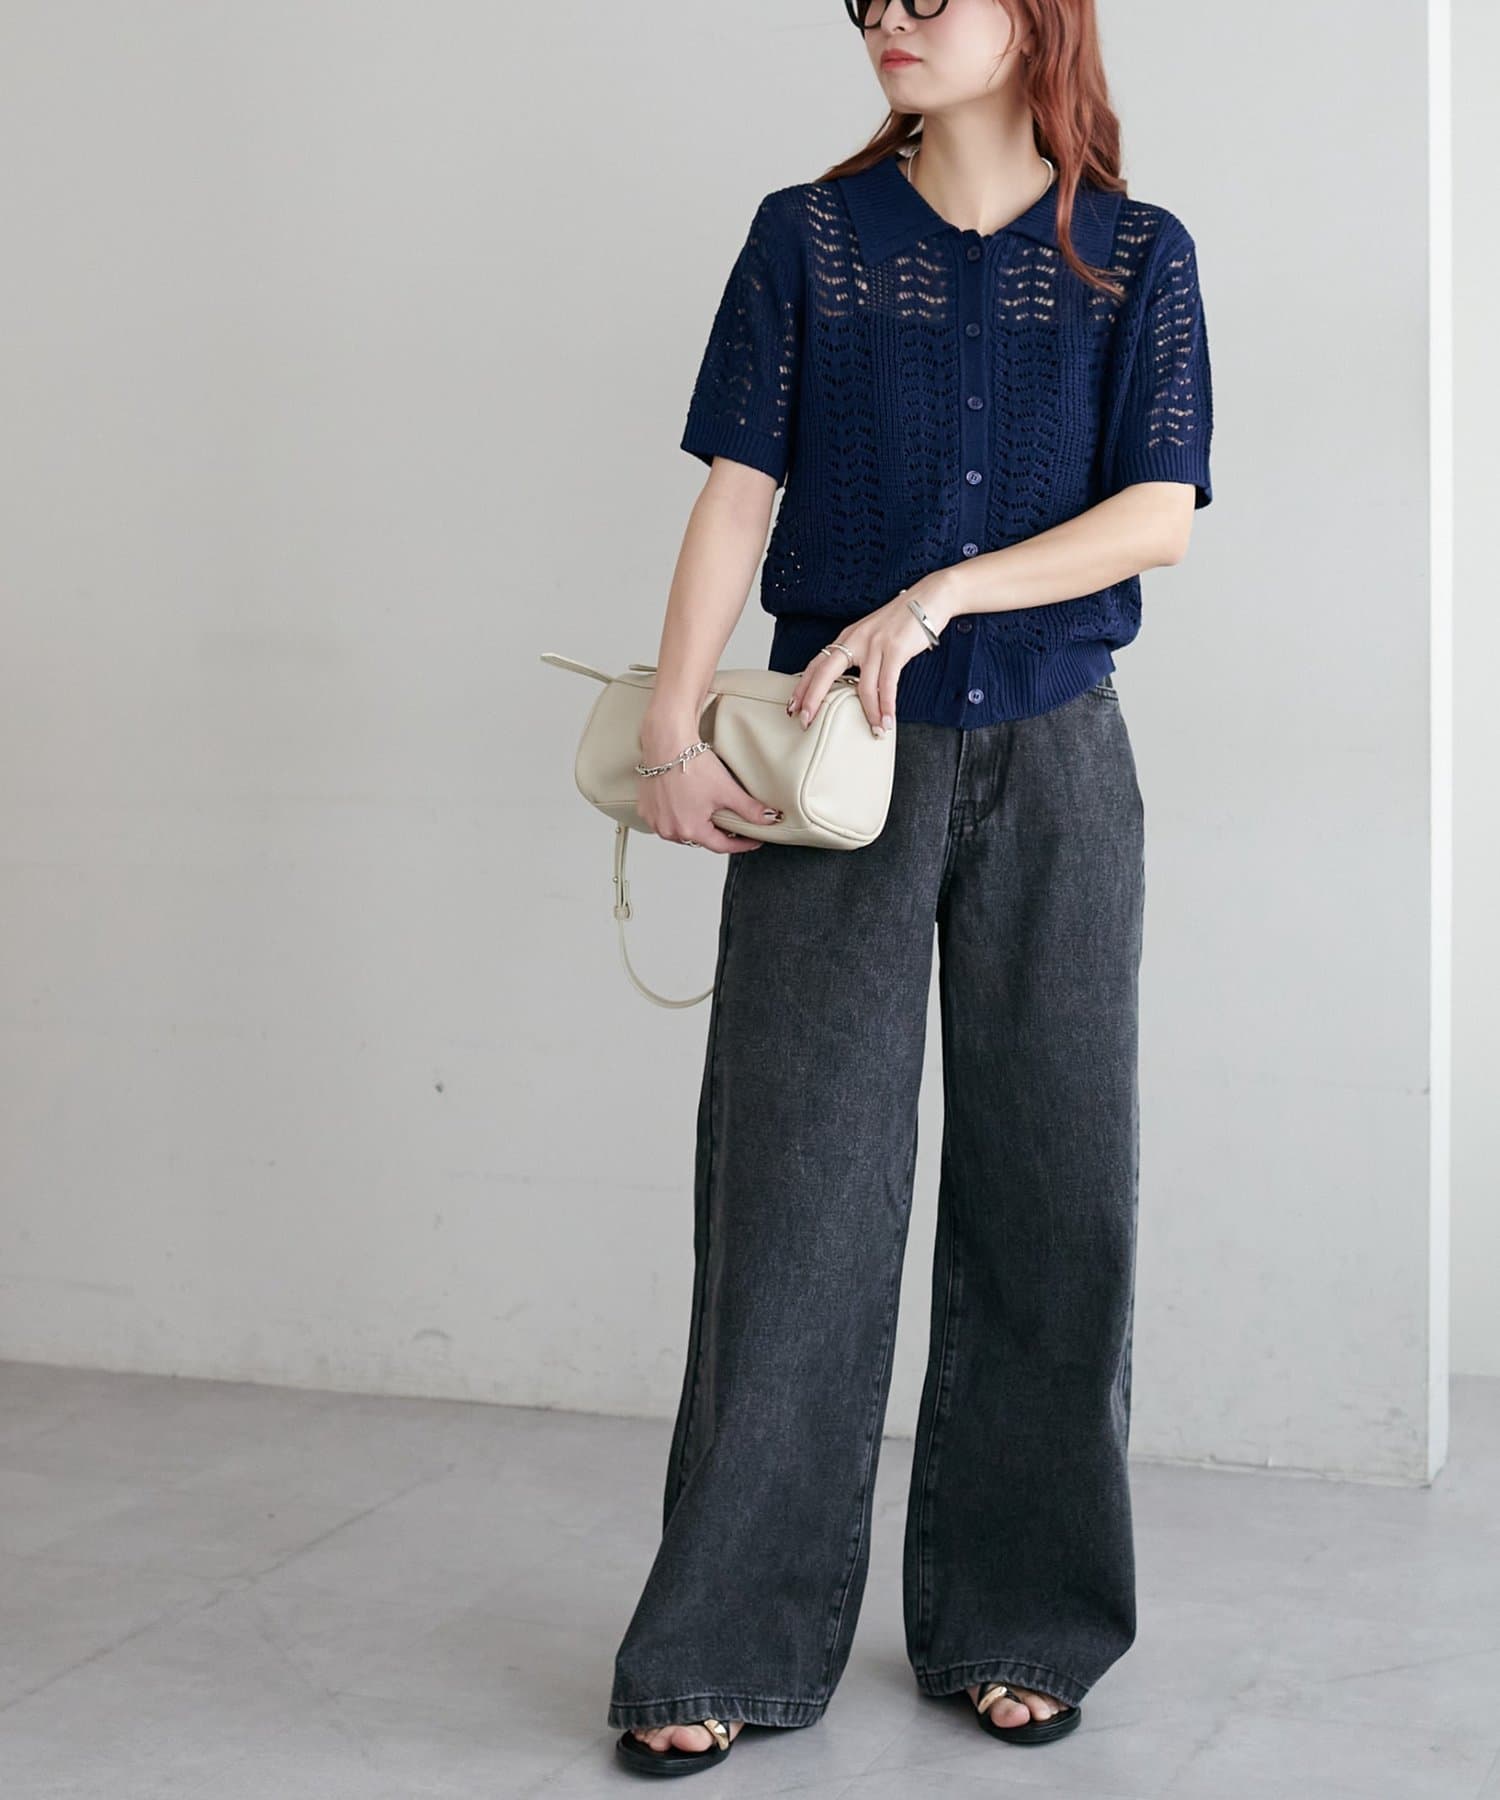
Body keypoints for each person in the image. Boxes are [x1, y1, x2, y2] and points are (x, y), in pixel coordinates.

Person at [609, 0, 1213, 1775]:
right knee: (791, 1206)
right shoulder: (807, 240)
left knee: (1055, 1197)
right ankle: (720, 1645)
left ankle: (1024, 1620)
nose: (888, 17)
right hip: (824, 771)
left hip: (1058, 766)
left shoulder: (1136, 255)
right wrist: (668, 735)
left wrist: (939, 596)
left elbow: (1159, 512)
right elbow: (738, 496)